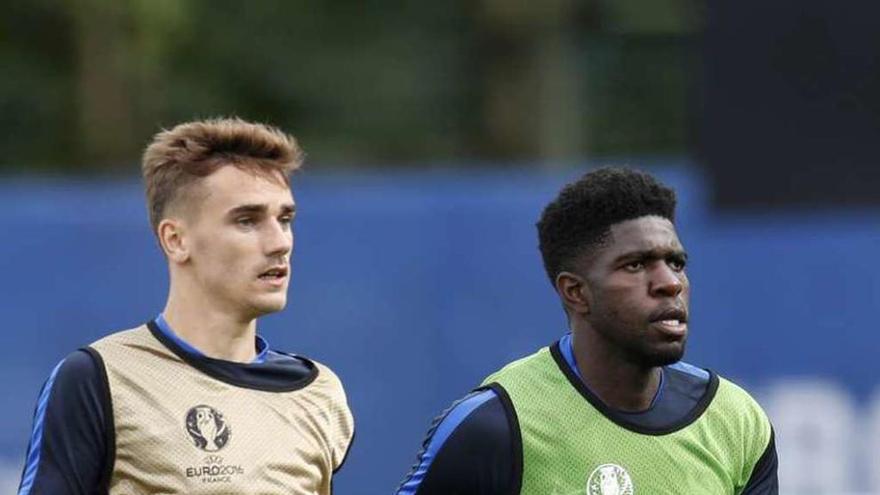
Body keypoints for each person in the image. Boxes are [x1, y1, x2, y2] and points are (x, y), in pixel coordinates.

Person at [17, 118, 354, 495]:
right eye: (247, 220)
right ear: (175, 240)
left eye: (285, 219)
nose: (280, 242)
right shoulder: (99, 379)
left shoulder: (318, 393)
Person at [396, 167, 777, 494]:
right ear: (576, 292)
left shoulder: (735, 422)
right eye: (636, 265)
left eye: (675, 263)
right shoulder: (496, 426)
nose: (670, 283)